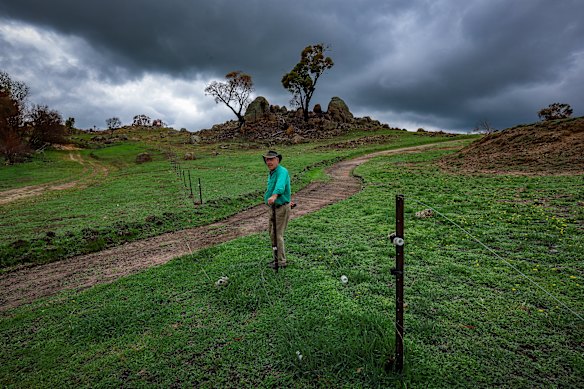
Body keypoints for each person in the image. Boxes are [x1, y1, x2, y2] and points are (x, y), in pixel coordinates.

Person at [263, 150, 291, 268]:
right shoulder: (272, 172)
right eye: (267, 159)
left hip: (280, 207)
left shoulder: (282, 171)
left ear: (277, 160)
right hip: (274, 207)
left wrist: (275, 196)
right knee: (272, 233)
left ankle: (281, 262)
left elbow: (280, 186)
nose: (269, 162)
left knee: (277, 234)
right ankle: (276, 259)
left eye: (271, 159)